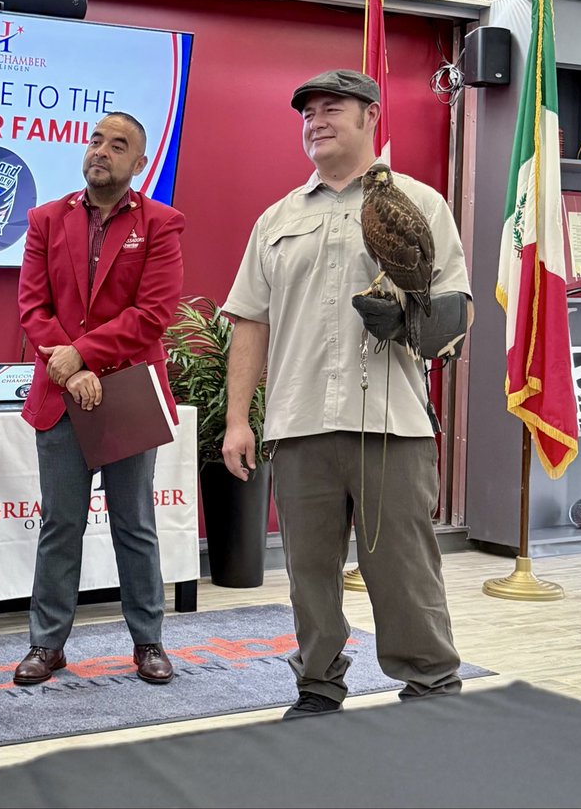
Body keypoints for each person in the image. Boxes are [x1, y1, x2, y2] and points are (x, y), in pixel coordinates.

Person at [222, 69, 472, 720]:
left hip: (392, 422)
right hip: (299, 420)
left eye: (333, 107)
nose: (316, 119)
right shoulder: (276, 219)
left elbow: (456, 308)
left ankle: (431, 686)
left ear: (371, 117)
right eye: (307, 111)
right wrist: (236, 420)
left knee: (404, 570)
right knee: (309, 573)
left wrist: (412, 322)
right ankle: (317, 686)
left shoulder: (420, 202)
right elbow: (249, 320)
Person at [13, 112, 185, 687]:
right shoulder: (43, 220)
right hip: (62, 394)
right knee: (59, 524)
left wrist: (83, 355)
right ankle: (47, 645)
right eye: (96, 140)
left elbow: (153, 315)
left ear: (139, 164)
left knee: (134, 523)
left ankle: (149, 641)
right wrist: (69, 366)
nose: (101, 151)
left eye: (119, 146)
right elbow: (33, 309)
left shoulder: (161, 224)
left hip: (127, 391)